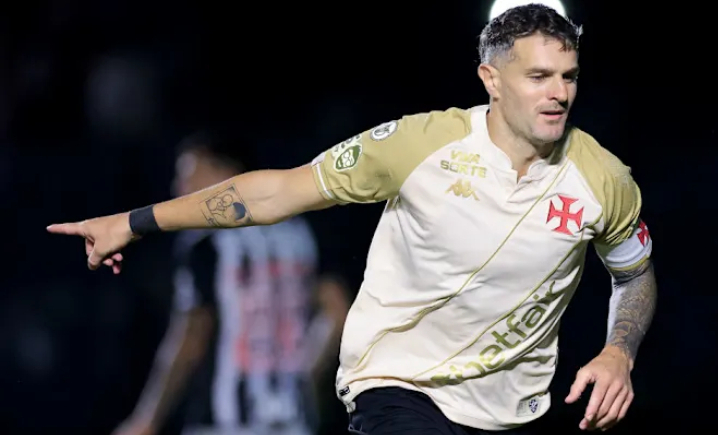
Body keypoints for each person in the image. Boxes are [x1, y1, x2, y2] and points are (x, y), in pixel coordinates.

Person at [49, 4, 658, 434]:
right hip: (397, 388)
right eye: (539, 77)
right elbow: (278, 191)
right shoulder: (418, 145)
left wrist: (619, 352)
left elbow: (634, 276)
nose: (559, 93)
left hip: (511, 409)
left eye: (569, 77)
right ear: (491, 80)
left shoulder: (604, 178)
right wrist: (134, 221)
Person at [109, 132, 329, 435]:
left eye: (190, 175)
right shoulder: (299, 233)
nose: (179, 189)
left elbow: (192, 335)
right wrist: (305, 377)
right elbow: (336, 310)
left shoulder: (208, 243)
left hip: (223, 421)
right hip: (294, 418)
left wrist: (148, 418)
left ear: (226, 174)